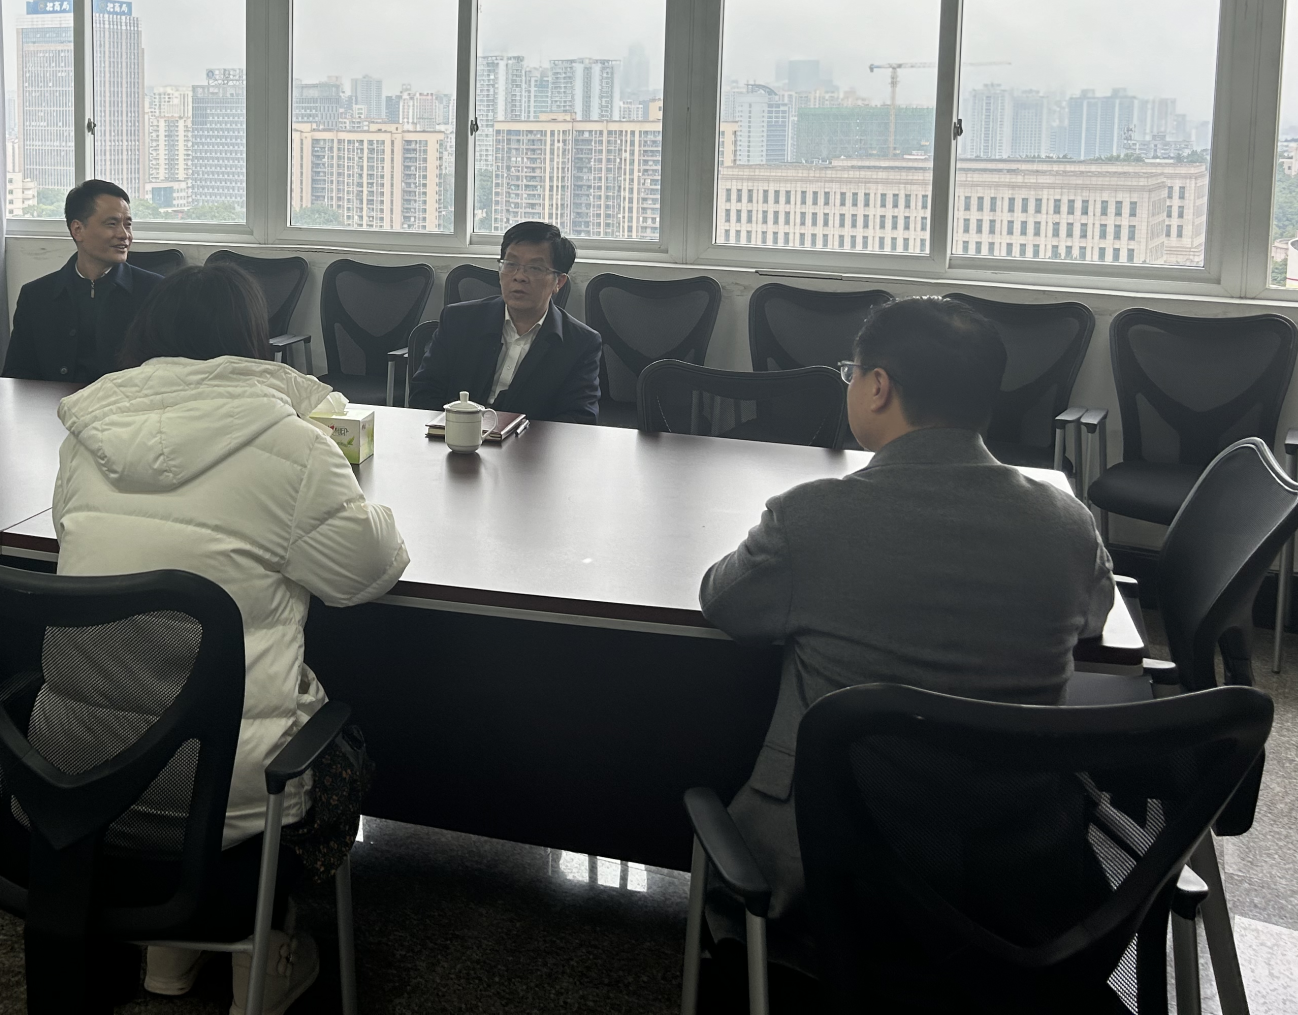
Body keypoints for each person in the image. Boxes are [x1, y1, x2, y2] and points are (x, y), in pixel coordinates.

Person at [48, 264, 409, 1015]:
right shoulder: (295, 447)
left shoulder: (85, 440)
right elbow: (364, 572)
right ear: (254, 342)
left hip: (80, 770)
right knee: (339, 747)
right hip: (229, 792)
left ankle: (171, 947)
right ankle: (260, 948)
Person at [698, 296, 1115, 925]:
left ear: (878, 387)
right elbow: (1095, 620)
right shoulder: (1068, 524)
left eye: (851, 374)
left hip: (829, 869)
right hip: (1016, 867)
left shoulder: (810, 517)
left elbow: (725, 603)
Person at [409, 220, 603, 423]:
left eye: (535, 268)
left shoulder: (581, 343)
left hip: (531, 441)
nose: (520, 276)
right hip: (456, 436)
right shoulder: (458, 320)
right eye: (511, 264)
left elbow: (580, 418)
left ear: (559, 282)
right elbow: (424, 392)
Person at [2, 180, 162, 384]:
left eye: (128, 224)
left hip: (128, 403)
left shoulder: (155, 292)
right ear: (77, 229)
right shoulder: (36, 296)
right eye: (112, 224)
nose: (124, 235)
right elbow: (17, 375)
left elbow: (167, 372)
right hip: (53, 403)